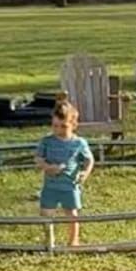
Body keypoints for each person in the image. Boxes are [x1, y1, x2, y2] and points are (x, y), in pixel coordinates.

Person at [35, 100, 94, 247]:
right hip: (51, 186)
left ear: (73, 125)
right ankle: (49, 241)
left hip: (69, 185)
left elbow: (89, 160)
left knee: (72, 214)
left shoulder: (79, 143)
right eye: (55, 126)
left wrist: (85, 173)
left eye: (63, 126)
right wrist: (48, 167)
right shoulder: (46, 141)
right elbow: (38, 159)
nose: (58, 130)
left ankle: (73, 241)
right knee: (46, 214)